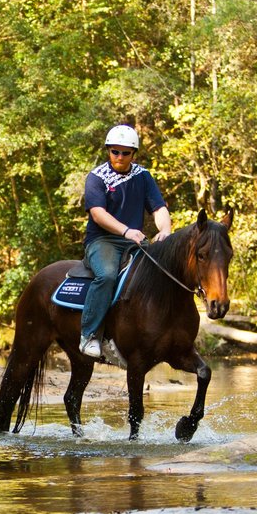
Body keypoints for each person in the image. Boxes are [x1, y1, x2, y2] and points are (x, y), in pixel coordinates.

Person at [79, 125, 171, 358]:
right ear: (108, 151)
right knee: (107, 275)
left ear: (134, 154)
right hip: (102, 240)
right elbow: (98, 214)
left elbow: (159, 208)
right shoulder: (97, 177)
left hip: (134, 241)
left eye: (125, 153)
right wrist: (127, 231)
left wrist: (165, 229)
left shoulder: (143, 176)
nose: (119, 157)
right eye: (115, 152)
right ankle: (89, 335)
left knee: (160, 272)